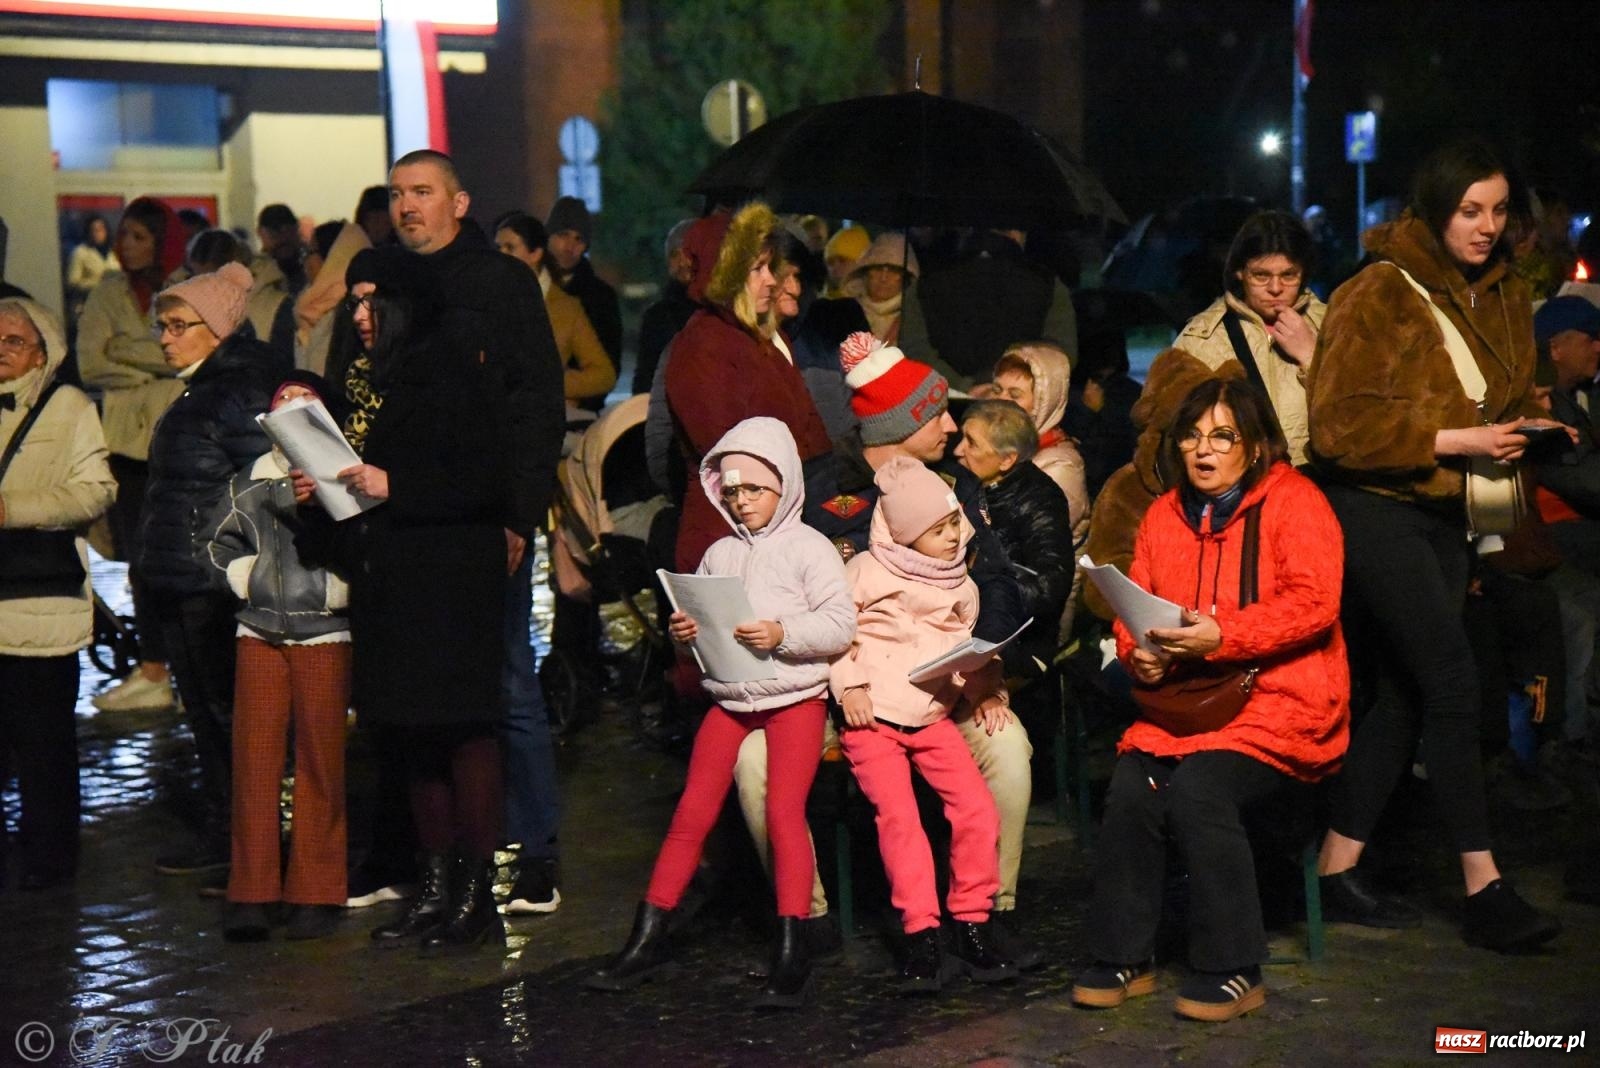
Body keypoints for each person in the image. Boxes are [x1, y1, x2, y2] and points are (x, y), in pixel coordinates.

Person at [1307, 138, 1568, 951]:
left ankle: (1333, 868)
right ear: (1434, 209)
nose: (1486, 227)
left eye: (1497, 211)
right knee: (1454, 676)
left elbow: (1507, 395)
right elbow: (1337, 428)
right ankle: (1482, 887)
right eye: (1470, 211)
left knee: (1404, 694)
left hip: (1453, 512)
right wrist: (1457, 439)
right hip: (1375, 508)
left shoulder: (1502, 295)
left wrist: (1533, 426)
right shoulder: (1375, 293)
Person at [1071, 378, 1348, 1022]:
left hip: (1285, 701)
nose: (1203, 449)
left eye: (1222, 435)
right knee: (1133, 786)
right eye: (1192, 435)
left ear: (1252, 446)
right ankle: (1124, 954)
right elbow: (1135, 602)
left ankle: (1233, 966)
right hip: (1189, 701)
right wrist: (1139, 646)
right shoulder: (1165, 514)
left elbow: (1315, 604)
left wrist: (1225, 635)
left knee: (1200, 790)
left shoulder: (1296, 503)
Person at [586, 417, 855, 1008]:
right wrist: (687, 631)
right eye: (731, 492)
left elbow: (840, 626)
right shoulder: (719, 553)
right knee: (691, 811)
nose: (741, 501)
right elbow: (708, 633)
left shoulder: (809, 548)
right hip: (732, 698)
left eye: (753, 489)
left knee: (783, 813)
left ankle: (792, 945)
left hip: (793, 699)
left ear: (782, 484)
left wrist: (781, 631)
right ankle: (648, 935)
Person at [306, 246, 512, 954]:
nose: (360, 317)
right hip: (391, 578)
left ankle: (477, 894)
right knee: (408, 736)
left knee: (460, 731)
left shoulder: (448, 368)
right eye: (354, 304)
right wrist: (322, 493)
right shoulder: (365, 379)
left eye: (373, 302)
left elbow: (488, 482)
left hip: (450, 582)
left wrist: (396, 485)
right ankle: (432, 891)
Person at [385, 150, 566, 919]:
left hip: (484, 521)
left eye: (421, 192)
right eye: (396, 194)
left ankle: (533, 851)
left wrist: (519, 515)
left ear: (459, 203)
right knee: (420, 697)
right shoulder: (388, 283)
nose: (406, 206)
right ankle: (439, 865)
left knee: (506, 682)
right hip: (405, 526)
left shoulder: (499, 284)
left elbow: (536, 404)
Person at [832, 456, 1019, 993]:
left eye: (954, 522)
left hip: (932, 714)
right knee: (901, 819)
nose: (952, 535)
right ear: (907, 534)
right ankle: (921, 934)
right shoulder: (866, 571)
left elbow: (968, 649)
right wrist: (850, 686)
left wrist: (986, 689)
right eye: (937, 530)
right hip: (874, 719)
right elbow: (835, 637)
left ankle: (972, 920)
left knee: (977, 810)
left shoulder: (961, 581)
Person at [203, 374, 353, 942]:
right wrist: (243, 579)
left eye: (304, 401)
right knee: (255, 759)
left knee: (321, 760)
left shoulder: (344, 477)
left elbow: (364, 541)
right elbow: (215, 543)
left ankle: (316, 887)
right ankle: (252, 888)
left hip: (325, 632)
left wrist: (341, 590)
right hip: (259, 632)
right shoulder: (250, 481)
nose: (292, 408)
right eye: (282, 401)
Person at [142, 263, 278, 875]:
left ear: (217, 328)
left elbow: (263, 487)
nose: (166, 338)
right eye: (162, 326)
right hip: (186, 575)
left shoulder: (235, 390)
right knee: (208, 717)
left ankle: (249, 847)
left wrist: (233, 566)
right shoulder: (207, 387)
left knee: (228, 717)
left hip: (212, 582)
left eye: (178, 325)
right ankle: (231, 838)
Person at [0, 298, 116, 890]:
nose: (1, 350)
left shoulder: (66, 407)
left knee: (45, 746)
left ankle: (50, 860)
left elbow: (95, 491)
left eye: (14, 341)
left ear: (42, 353)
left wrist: (13, 510)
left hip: (40, 606)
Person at [664, 200, 833, 574]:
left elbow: (806, 429)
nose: (771, 280)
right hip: (729, 541)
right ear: (728, 276)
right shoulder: (704, 345)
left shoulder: (763, 337)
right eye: (758, 269)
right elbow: (728, 453)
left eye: (769, 266)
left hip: (777, 533)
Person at [77, 197, 189, 714]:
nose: (127, 245)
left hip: (175, 440)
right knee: (140, 561)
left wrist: (130, 349)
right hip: (125, 444)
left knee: (184, 556)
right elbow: (93, 363)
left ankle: (188, 664)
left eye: (140, 236)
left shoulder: (186, 285)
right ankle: (153, 667)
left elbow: (192, 355)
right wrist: (157, 364)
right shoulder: (107, 292)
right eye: (124, 235)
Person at [1173, 210, 1325, 466]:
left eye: (1288, 275)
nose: (1275, 288)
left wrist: (1311, 357)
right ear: (1240, 272)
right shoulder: (1201, 340)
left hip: (1318, 492)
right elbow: (1177, 435)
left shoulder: (1333, 325)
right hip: (1238, 494)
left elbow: (1358, 421)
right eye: (1261, 275)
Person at [954, 399, 1075, 681]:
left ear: (1006, 460)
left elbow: (1049, 586)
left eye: (971, 443)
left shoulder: (1040, 500)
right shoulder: (962, 481)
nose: (959, 450)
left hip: (1017, 642)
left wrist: (979, 587)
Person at [898, 227, 1078, 393]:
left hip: (942, 405)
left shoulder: (926, 284)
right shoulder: (1048, 284)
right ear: (1017, 234)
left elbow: (915, 349)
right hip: (1022, 408)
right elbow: (1061, 354)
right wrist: (1010, 389)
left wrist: (962, 386)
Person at [492, 211, 616, 405]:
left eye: (510, 247)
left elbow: (603, 374)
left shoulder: (566, 308)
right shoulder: (485, 299)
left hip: (542, 420)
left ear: (536, 254)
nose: (501, 255)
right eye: (498, 247)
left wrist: (548, 383)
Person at [989, 341, 1090, 546]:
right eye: (997, 389)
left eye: (1015, 395)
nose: (1001, 400)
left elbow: (1021, 540)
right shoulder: (1001, 448)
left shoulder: (1062, 468)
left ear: (1044, 402)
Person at [545, 195, 622, 389]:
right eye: (563, 235)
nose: (570, 246)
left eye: (579, 239)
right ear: (549, 236)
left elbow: (609, 363)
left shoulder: (601, 297)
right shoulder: (530, 286)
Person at [632, 218, 698, 395]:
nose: (683, 262)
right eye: (675, 255)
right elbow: (644, 378)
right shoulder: (656, 316)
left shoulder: (721, 311)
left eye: (689, 253)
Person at [843, 232, 918, 345]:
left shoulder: (915, 321)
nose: (884, 278)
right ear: (866, 271)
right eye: (877, 268)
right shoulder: (844, 313)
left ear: (906, 276)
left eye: (894, 270)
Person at [65, 214, 117, 320]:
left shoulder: (114, 252)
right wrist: (98, 284)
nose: (97, 234)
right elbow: (72, 283)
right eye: (94, 230)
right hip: (88, 308)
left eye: (100, 230)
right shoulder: (81, 252)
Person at [822, 225, 870, 299]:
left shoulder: (880, 305)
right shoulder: (821, 304)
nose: (835, 268)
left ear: (862, 263)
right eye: (830, 263)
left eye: (843, 261)